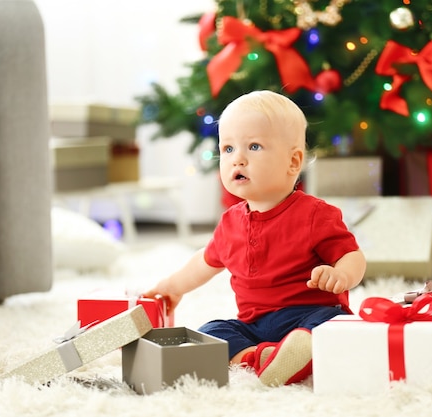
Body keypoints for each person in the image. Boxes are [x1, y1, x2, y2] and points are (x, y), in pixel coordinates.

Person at [142, 90, 366, 387]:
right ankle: (258, 357)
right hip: (254, 324)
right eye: (228, 149)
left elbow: (353, 255)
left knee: (332, 326)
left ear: (293, 161)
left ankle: (300, 348)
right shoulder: (230, 222)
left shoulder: (314, 214)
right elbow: (204, 263)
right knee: (210, 332)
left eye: (254, 146)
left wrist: (341, 274)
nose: (239, 160)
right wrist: (172, 287)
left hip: (308, 313)